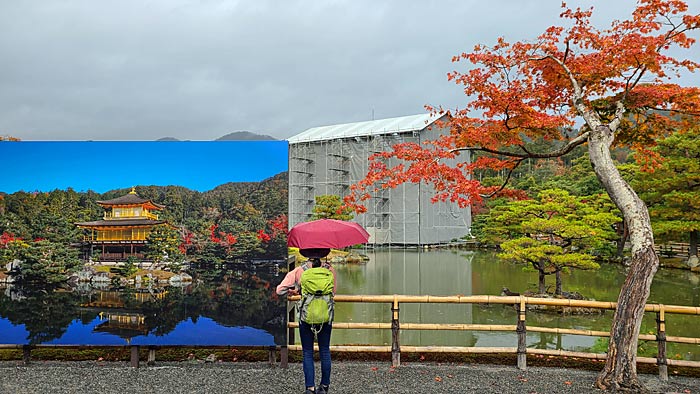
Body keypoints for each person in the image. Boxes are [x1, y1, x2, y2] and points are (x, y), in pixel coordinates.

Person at [277, 248, 336, 394]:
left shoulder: (299, 271)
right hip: (325, 316)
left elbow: (279, 290)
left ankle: (310, 388)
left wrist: (295, 290)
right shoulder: (330, 270)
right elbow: (332, 293)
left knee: (308, 352)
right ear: (324, 253)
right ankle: (324, 387)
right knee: (324, 351)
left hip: (306, 317)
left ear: (305, 253)